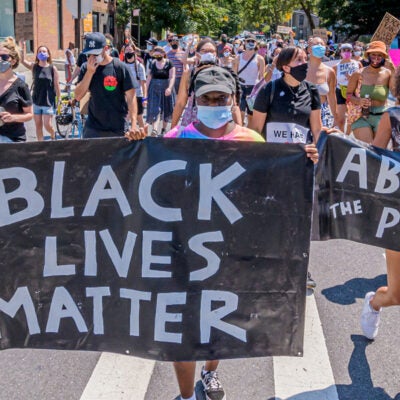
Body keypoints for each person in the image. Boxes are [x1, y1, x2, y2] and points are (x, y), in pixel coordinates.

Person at [157, 64, 318, 400]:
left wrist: (300, 164)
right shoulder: (173, 141)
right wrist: (135, 148)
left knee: (218, 323)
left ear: (233, 99)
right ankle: (186, 396)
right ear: (195, 101)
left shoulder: (251, 141)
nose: (215, 104)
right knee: (182, 333)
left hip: (230, 253)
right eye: (207, 98)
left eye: (221, 98)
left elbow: (270, 195)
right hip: (181, 253)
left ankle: (210, 373)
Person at [360, 65, 400, 340]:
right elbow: (374, 159)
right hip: (397, 210)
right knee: (396, 294)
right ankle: (375, 303)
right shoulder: (393, 116)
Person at [74, 32, 144, 140]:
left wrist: (134, 124)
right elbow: (78, 96)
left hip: (117, 127)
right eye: (89, 54)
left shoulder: (120, 67)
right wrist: (89, 73)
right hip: (93, 127)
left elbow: (131, 97)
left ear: (105, 48)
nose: (92, 57)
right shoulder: (86, 67)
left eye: (96, 54)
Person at [346, 40, 395, 143]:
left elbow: (395, 93)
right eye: (373, 55)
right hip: (361, 116)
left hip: (382, 117)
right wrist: (359, 101)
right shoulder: (358, 74)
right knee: (368, 150)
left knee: (378, 153)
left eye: (380, 55)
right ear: (368, 55)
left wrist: (393, 69)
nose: (376, 58)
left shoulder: (388, 73)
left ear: (384, 57)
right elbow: (348, 95)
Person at [20, 41, 60, 141]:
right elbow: (22, 61)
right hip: (36, 100)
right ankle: (40, 145)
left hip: (48, 101)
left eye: (44, 51)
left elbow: (56, 85)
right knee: (38, 126)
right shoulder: (34, 67)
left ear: (48, 54)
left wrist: (59, 98)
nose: (42, 53)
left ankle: (52, 134)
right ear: (37, 54)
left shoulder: (52, 68)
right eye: (40, 51)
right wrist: (23, 48)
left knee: (47, 125)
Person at [0, 37, 33, 142]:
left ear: (13, 61)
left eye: (4, 57)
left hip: (13, 140)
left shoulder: (20, 86)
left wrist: (12, 118)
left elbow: (29, 114)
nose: (0, 59)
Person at [306, 36, 337, 129]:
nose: (319, 46)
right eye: (316, 44)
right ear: (309, 49)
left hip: (323, 113)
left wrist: (335, 116)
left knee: (321, 142)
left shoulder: (329, 72)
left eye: (322, 44)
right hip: (303, 110)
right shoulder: (300, 69)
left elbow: (331, 95)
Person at [234, 33, 265, 126]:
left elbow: (261, 77)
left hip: (253, 89)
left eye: (253, 41)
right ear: (244, 42)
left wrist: (260, 91)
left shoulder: (260, 59)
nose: (250, 43)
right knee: (241, 114)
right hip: (240, 88)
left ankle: (249, 138)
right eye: (248, 41)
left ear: (256, 43)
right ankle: (240, 137)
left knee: (251, 116)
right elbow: (234, 74)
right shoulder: (238, 57)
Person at [145, 46, 176, 136]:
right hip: (154, 88)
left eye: (159, 54)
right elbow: (149, 77)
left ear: (163, 54)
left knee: (166, 109)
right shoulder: (153, 63)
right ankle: (154, 130)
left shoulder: (169, 63)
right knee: (156, 109)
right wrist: (145, 91)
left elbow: (172, 77)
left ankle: (163, 129)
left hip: (166, 87)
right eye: (156, 55)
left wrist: (170, 88)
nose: (157, 56)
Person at [333, 43, 362, 133]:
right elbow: (333, 83)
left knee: (352, 117)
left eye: (348, 50)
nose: (346, 52)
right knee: (341, 119)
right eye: (344, 50)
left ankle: (348, 136)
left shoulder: (357, 64)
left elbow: (363, 79)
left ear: (351, 52)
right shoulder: (336, 66)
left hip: (354, 92)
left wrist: (353, 79)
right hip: (340, 91)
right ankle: (342, 138)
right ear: (340, 52)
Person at [124, 44, 147, 129]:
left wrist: (145, 98)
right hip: (125, 96)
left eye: (130, 50)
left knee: (139, 117)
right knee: (126, 117)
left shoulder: (139, 66)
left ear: (134, 52)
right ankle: (126, 136)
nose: (128, 52)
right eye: (126, 50)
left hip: (137, 95)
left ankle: (144, 136)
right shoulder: (122, 66)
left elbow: (143, 83)